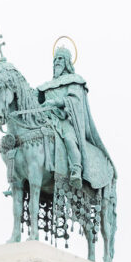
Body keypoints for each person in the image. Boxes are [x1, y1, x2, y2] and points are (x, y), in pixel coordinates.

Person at [37, 47, 115, 189]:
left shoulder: (74, 81)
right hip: (46, 118)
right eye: (55, 59)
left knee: (68, 138)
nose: (56, 62)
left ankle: (76, 169)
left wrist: (55, 102)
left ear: (67, 61)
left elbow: (74, 100)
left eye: (60, 58)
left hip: (64, 120)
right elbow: (35, 99)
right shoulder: (45, 86)